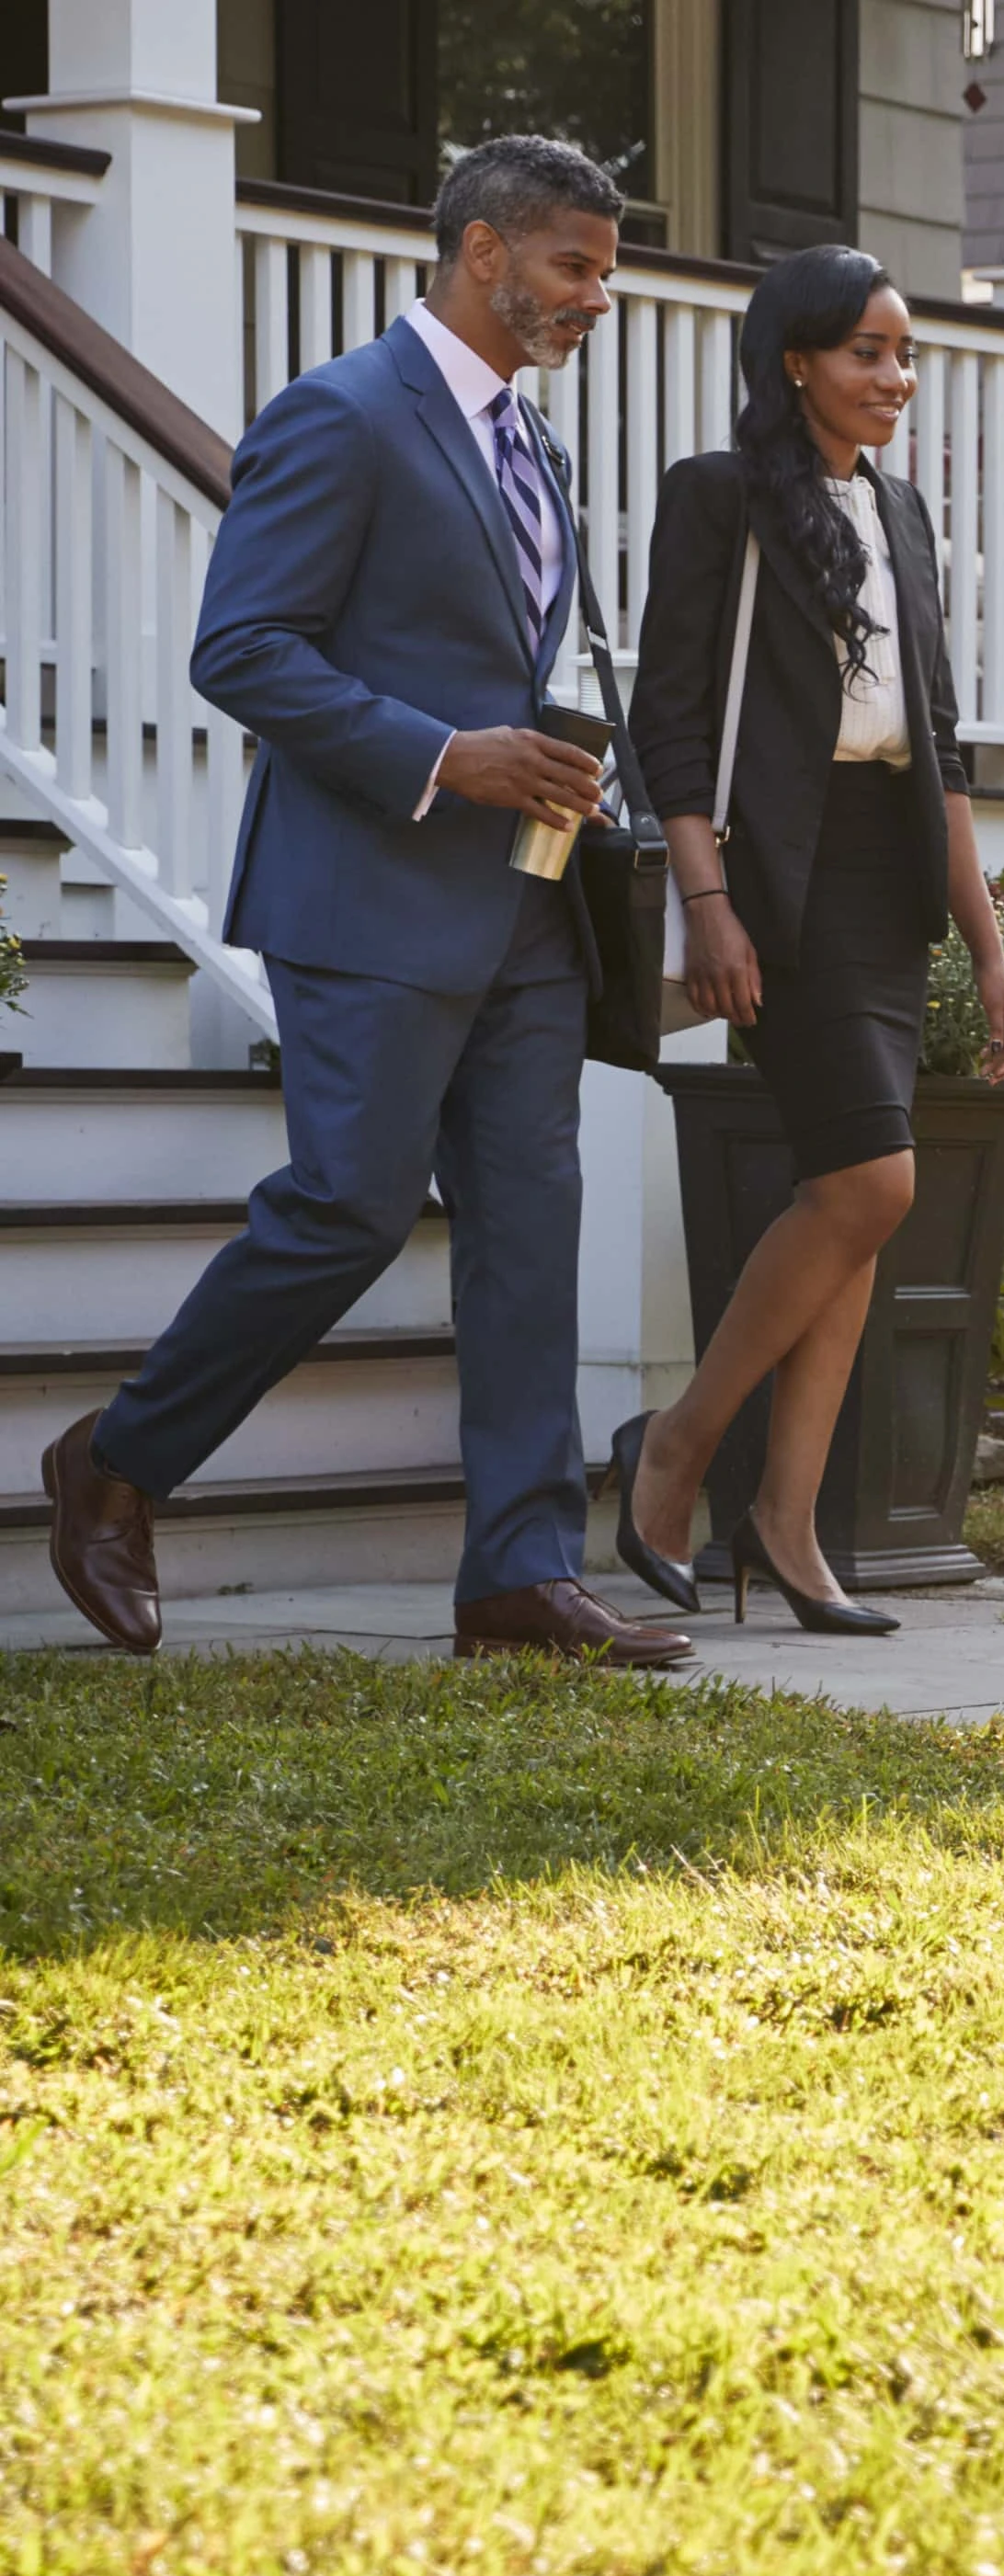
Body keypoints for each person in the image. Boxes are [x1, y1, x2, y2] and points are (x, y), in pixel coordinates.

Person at [35, 136, 688, 1670]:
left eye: (606, 267)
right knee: (347, 1210)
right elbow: (243, 650)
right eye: (574, 267)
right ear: (483, 254)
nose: (600, 295)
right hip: (366, 896)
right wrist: (446, 756)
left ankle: (520, 1577)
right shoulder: (338, 416)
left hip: (525, 909)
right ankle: (117, 1464)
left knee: (533, 1226)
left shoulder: (541, 450)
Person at [613, 245, 1004, 1636]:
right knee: (868, 1183)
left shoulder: (901, 513)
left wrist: (985, 944)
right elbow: (668, 718)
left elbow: (942, 750)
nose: (894, 378)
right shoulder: (718, 497)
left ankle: (786, 1522)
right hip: (772, 882)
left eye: (905, 355)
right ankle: (675, 1450)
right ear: (795, 359)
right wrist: (709, 898)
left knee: (855, 1211)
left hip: (885, 885)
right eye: (867, 352)